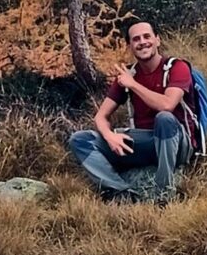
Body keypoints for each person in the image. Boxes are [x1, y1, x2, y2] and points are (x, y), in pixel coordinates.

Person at [68, 19, 195, 201]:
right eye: (136, 39)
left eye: (147, 36)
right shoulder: (128, 75)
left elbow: (167, 105)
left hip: (175, 141)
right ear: (130, 46)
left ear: (157, 40)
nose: (142, 42)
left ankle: (164, 194)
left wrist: (133, 85)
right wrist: (110, 136)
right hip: (145, 141)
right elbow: (100, 117)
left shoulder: (176, 67)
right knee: (80, 139)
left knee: (164, 118)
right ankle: (122, 193)